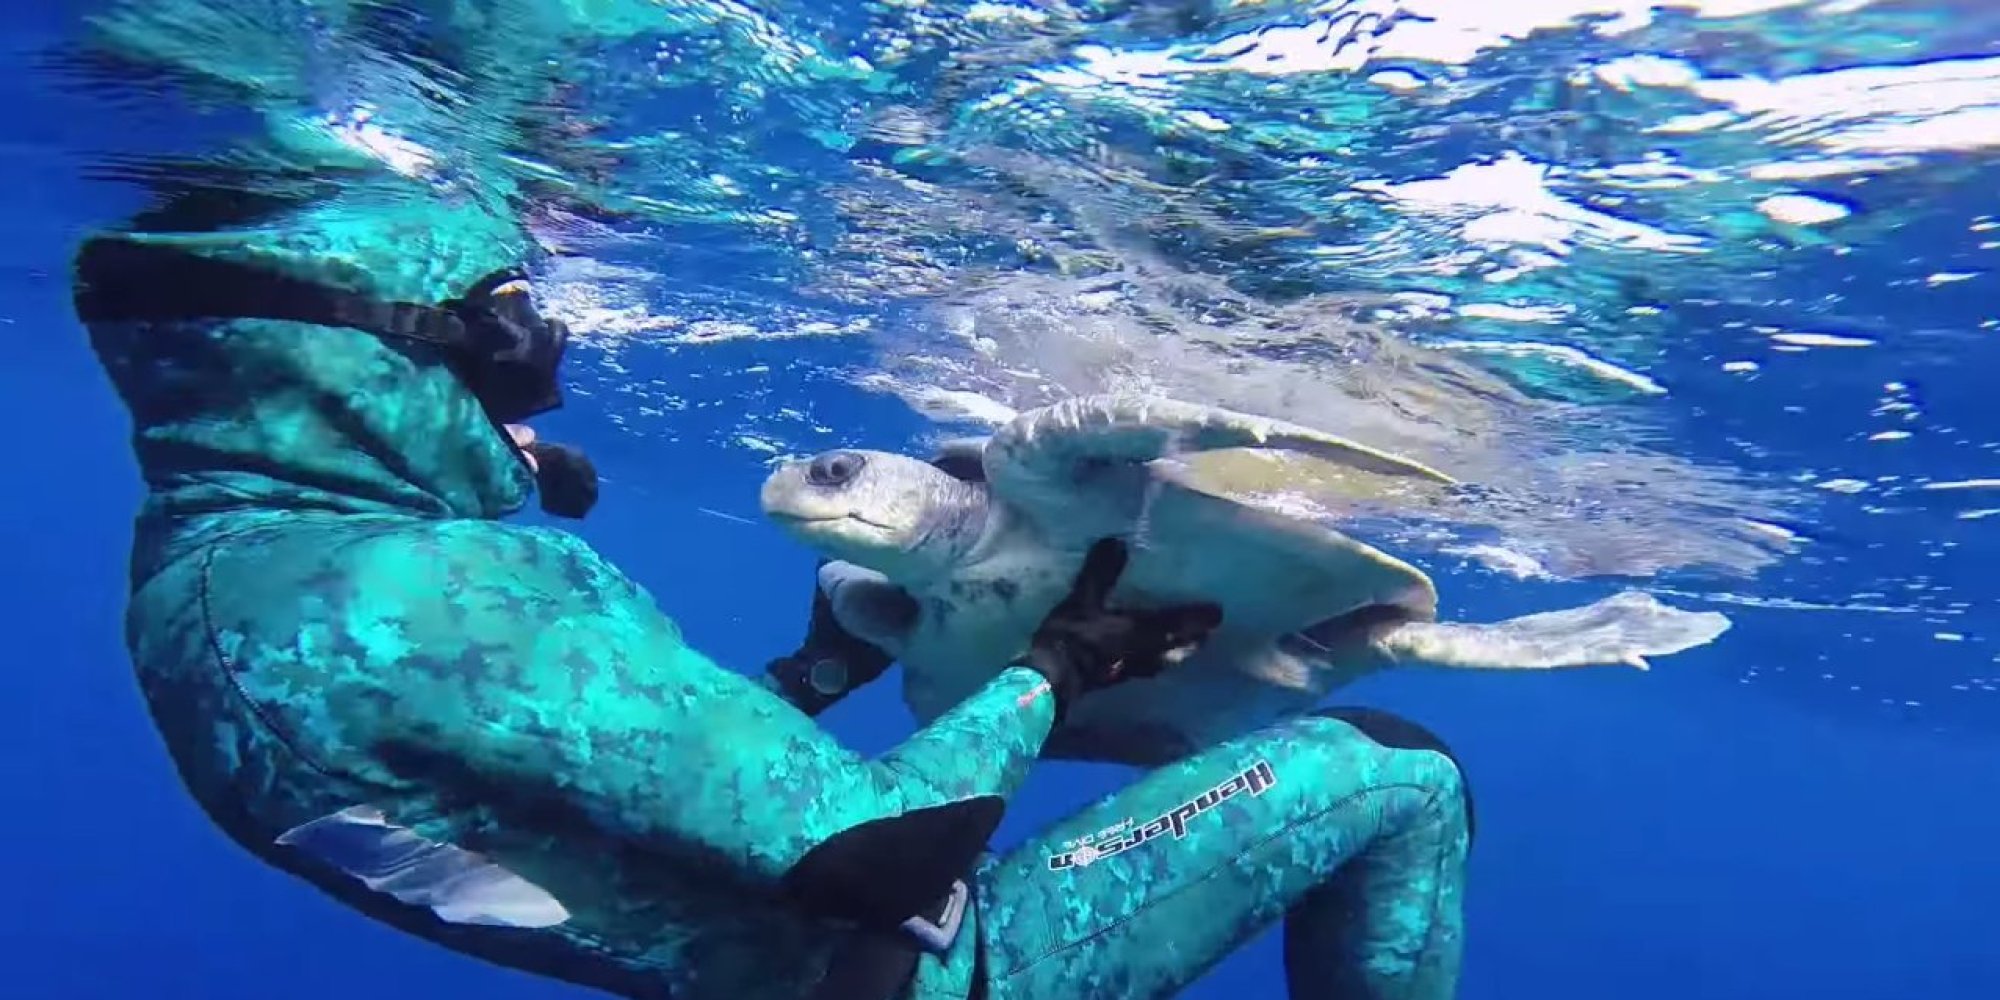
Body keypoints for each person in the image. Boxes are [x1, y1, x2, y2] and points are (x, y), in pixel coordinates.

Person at [71, 6, 1475, 1000]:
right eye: (506, 328)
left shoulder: (211, 591)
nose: (543, 382)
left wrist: (807, 679)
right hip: (930, 973)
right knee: (1402, 768)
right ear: (348, 352)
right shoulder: (411, 597)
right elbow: (886, 856)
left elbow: (582, 787)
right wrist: (1053, 670)